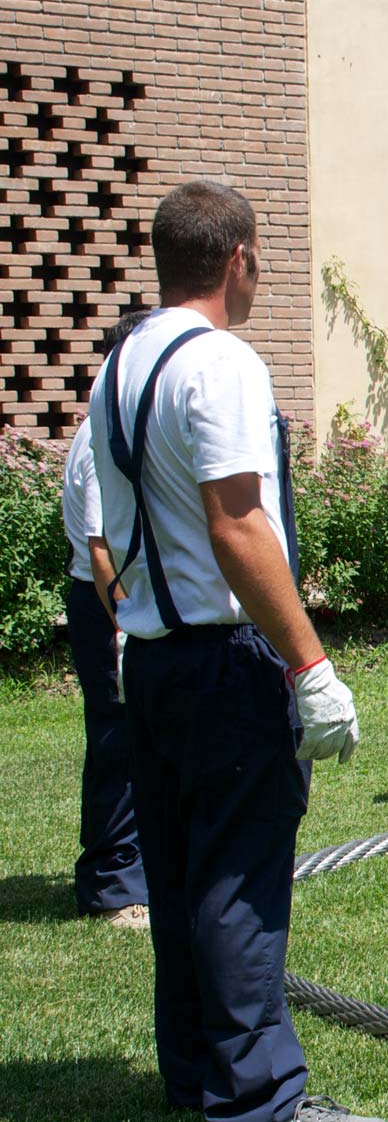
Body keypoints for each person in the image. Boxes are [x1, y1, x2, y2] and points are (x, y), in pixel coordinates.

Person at [90, 180, 376, 1122]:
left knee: (176, 876)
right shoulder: (221, 362)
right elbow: (238, 523)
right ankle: (262, 1100)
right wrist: (311, 667)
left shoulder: (122, 361)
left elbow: (116, 522)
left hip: (154, 659)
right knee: (240, 877)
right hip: (222, 660)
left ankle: (195, 1071)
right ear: (240, 257)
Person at [62, 309, 153, 931]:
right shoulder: (102, 434)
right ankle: (113, 888)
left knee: (133, 740)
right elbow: (100, 549)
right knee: (118, 743)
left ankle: (132, 869)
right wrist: (123, 623)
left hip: (114, 600)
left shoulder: (111, 423)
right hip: (106, 605)